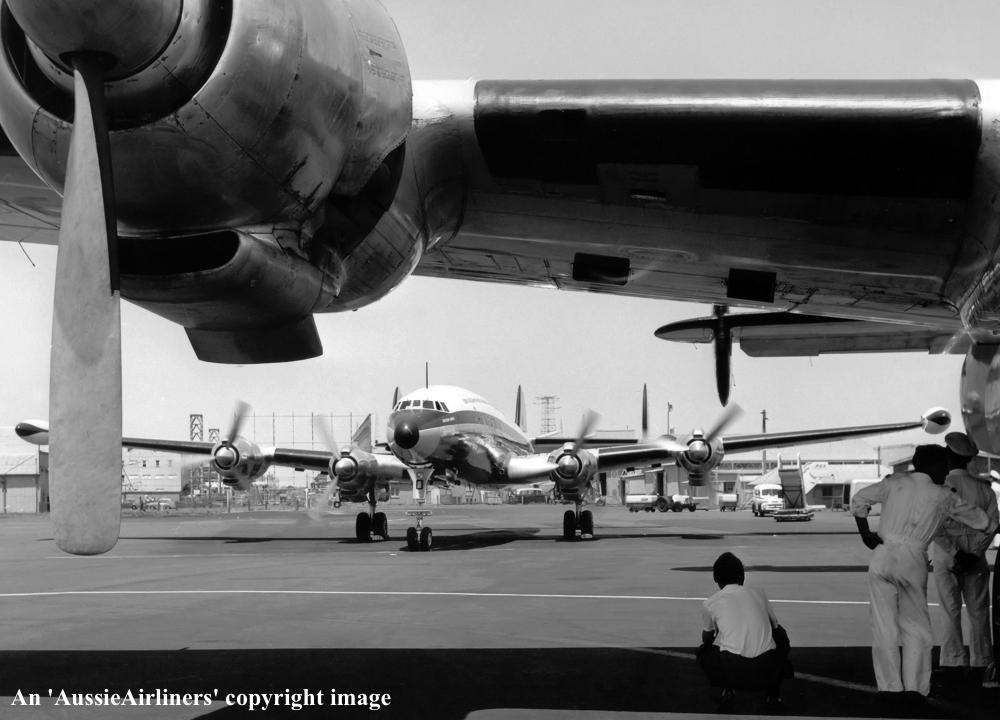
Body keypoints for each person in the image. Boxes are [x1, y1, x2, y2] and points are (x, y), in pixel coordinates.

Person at [851, 444, 994, 699]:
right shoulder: (943, 495)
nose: (946, 472)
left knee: (883, 627)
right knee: (915, 627)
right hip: (912, 560)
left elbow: (859, 500)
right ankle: (915, 688)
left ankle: (889, 688)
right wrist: (991, 525)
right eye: (943, 467)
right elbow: (983, 521)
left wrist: (865, 534)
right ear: (933, 466)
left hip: (882, 555)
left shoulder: (894, 482)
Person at [930, 432, 999, 686]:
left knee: (949, 610)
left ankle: (952, 662)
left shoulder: (938, 489)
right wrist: (974, 553)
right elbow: (992, 525)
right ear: (969, 459)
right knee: (979, 611)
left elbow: (934, 527)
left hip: (946, 556)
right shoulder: (984, 489)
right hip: (975, 558)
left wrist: (954, 552)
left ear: (948, 457)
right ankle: (982, 662)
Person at [697, 552, 790, 712]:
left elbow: (707, 639)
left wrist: (719, 629)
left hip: (734, 671)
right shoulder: (759, 593)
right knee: (780, 635)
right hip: (767, 669)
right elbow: (776, 628)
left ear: (716, 578)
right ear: (742, 577)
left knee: (703, 652)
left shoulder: (711, 603)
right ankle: (774, 693)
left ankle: (727, 690)